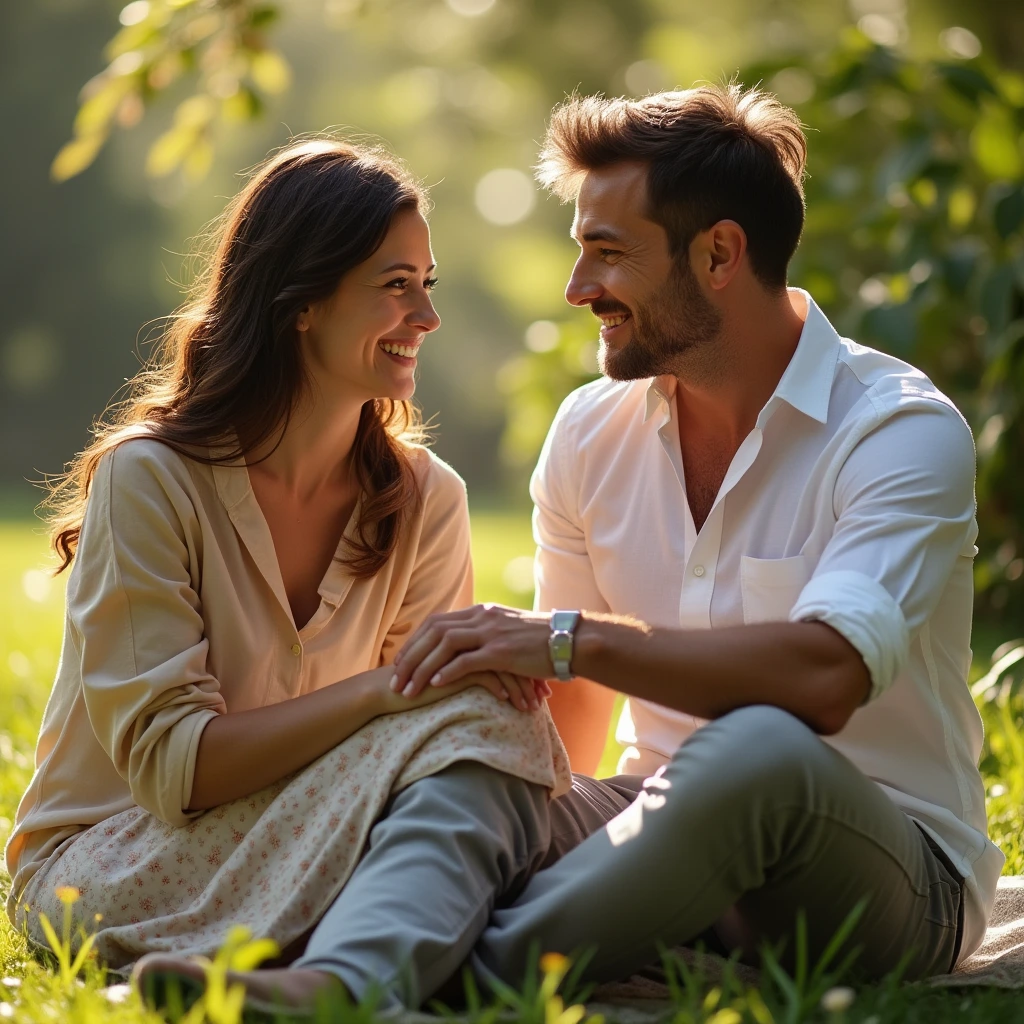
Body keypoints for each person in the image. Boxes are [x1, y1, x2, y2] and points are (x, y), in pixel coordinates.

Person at [390, 84, 1002, 988]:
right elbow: (569, 737)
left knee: (757, 750)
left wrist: (566, 641)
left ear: (719, 253)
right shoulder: (590, 432)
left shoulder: (899, 432)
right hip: (655, 822)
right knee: (469, 768)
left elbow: (826, 676)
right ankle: (332, 957)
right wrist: (461, 758)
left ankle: (442, 985)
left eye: (608, 253)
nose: (577, 288)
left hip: (892, 871)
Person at [4, 139, 571, 1015]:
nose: (426, 316)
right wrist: (394, 691)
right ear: (302, 302)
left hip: (310, 832)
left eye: (429, 284)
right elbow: (176, 771)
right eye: (395, 285)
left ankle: (340, 976)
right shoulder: (152, 478)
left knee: (483, 724)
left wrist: (440, 694)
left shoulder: (427, 500)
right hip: (111, 859)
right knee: (474, 740)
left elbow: (423, 744)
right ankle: (386, 968)